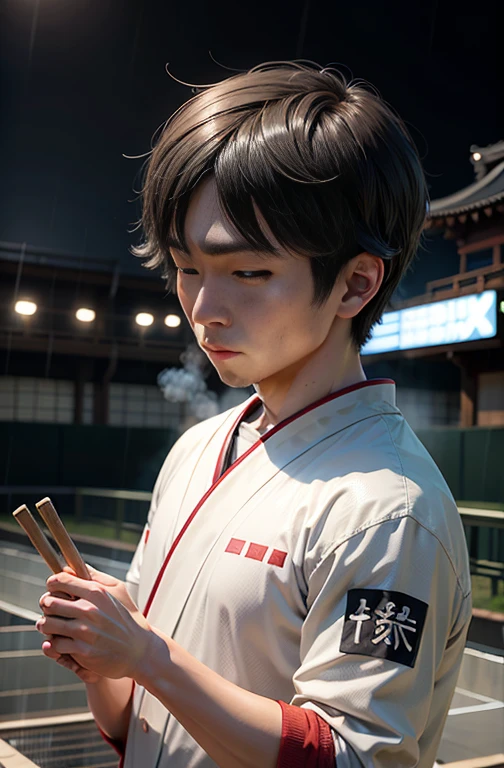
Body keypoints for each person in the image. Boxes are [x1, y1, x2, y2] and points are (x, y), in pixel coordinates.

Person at [36, 61, 471, 768]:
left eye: (247, 272)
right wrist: (103, 655)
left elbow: (353, 756)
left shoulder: (389, 512)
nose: (204, 311)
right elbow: (133, 718)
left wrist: (146, 654)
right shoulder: (200, 447)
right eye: (186, 267)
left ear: (355, 284)